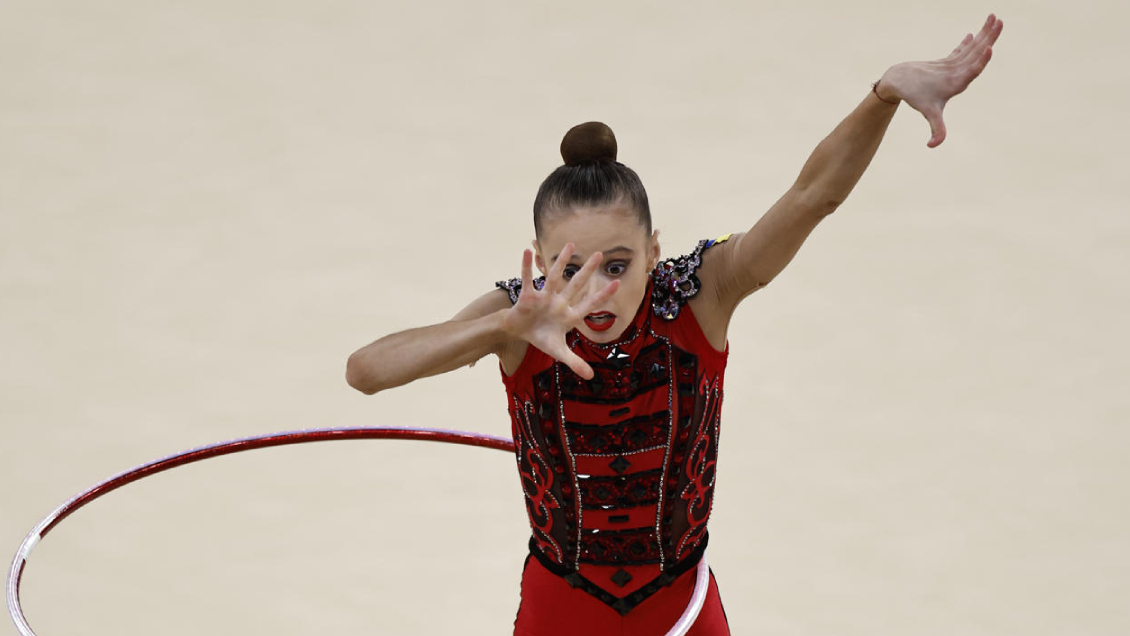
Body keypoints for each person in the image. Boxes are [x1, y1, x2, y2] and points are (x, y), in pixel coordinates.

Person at [346, 14, 1003, 636]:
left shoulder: (700, 296)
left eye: (619, 265)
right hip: (562, 607)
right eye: (572, 267)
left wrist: (884, 94)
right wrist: (496, 332)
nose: (597, 291)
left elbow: (811, 198)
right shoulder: (519, 313)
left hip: (681, 604)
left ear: (655, 251)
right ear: (543, 260)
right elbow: (367, 373)